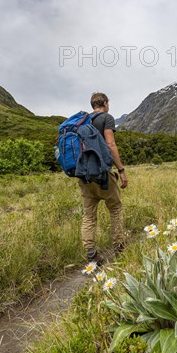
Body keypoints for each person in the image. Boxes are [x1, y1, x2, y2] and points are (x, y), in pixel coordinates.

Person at [79, 92, 128, 264]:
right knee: (115, 209)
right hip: (102, 174)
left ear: (92, 104)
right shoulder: (107, 118)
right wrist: (121, 170)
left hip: (84, 176)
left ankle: (91, 254)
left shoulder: (82, 121)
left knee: (89, 216)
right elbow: (110, 144)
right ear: (105, 103)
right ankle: (119, 247)